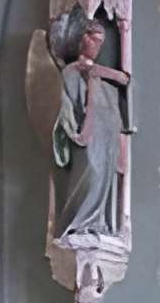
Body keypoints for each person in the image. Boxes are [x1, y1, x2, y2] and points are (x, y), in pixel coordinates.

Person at [52, 20, 130, 236]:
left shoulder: (97, 74)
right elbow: (67, 105)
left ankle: (100, 223)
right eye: (93, 38)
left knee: (106, 177)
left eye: (101, 41)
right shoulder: (71, 72)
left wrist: (97, 76)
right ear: (81, 39)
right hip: (86, 135)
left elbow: (123, 79)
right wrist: (78, 130)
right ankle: (79, 225)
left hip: (106, 138)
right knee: (91, 173)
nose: (97, 45)